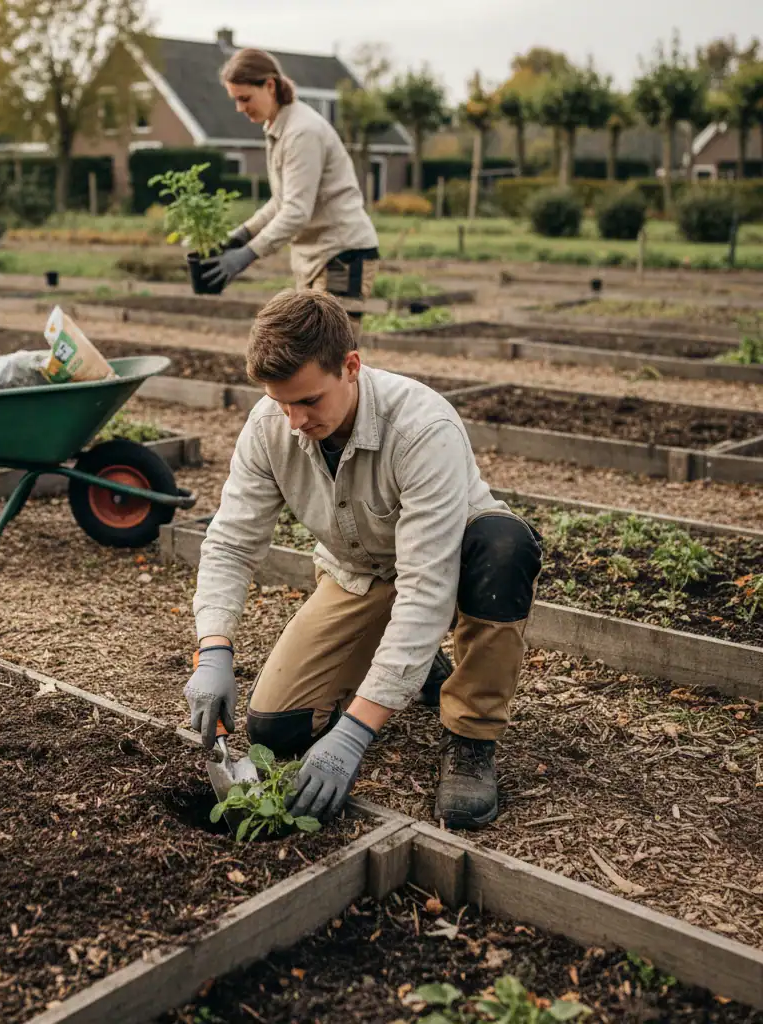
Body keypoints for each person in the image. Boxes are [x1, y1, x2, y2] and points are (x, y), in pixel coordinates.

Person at [183, 291, 542, 830]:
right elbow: (232, 541)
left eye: (308, 401)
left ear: (351, 366)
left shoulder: (421, 428)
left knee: (504, 546)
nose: (295, 419)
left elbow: (427, 585)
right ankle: (413, 669)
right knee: (277, 729)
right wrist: (213, 648)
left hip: (454, 567)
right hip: (362, 575)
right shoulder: (269, 427)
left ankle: (471, 737)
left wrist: (356, 731)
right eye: (281, 403)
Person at [201, 48, 380, 339]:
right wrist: (240, 236)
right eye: (235, 99)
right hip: (318, 257)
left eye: (245, 98)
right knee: (313, 354)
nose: (239, 108)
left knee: (331, 356)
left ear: (269, 85)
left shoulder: (301, 132)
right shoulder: (278, 126)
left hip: (342, 255)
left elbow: (296, 211)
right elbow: (282, 200)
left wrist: (246, 255)